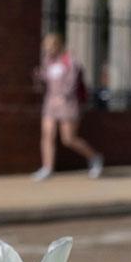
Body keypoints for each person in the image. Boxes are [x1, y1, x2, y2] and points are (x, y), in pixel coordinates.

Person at [31, 32, 103, 182]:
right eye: (45, 47)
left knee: (68, 139)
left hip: (67, 104)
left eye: (50, 46)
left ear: (58, 45)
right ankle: (47, 167)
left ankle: (94, 157)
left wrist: (63, 96)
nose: (48, 49)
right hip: (51, 103)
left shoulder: (69, 61)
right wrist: (39, 75)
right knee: (47, 135)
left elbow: (72, 83)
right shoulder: (48, 61)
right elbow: (47, 78)